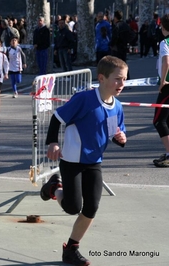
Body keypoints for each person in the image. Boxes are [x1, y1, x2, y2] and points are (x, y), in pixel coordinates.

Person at [41, 55, 128, 265]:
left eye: (124, 79)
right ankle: (54, 188)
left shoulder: (117, 106)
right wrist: (52, 143)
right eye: (117, 79)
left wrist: (121, 138)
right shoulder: (84, 99)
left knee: (91, 207)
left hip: (94, 162)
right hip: (72, 161)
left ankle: (71, 248)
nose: (121, 84)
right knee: (72, 207)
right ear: (102, 78)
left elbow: (116, 133)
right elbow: (57, 118)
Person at [152, 13, 169, 168]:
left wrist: (163, 80)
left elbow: (166, 61)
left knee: (158, 120)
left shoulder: (165, 42)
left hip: (168, 86)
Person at [110, 10, 132, 80]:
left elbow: (115, 37)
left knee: (116, 63)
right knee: (124, 62)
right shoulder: (126, 25)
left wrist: (111, 44)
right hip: (124, 46)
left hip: (117, 47)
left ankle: (118, 77)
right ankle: (126, 77)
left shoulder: (117, 26)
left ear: (115, 17)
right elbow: (132, 34)